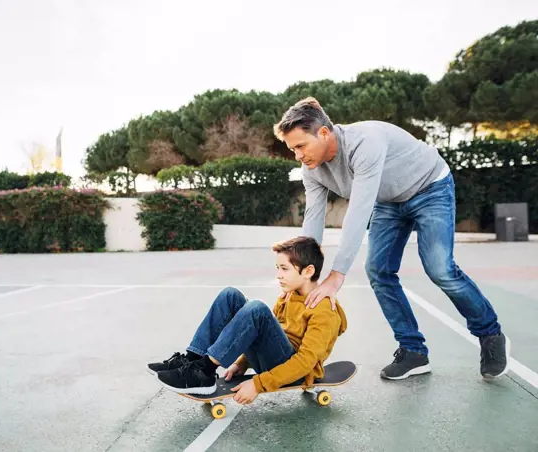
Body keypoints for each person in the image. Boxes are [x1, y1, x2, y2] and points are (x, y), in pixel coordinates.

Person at [272, 97, 510, 381]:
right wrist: (304, 274)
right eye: (292, 149)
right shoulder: (311, 169)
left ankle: (490, 334)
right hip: (388, 201)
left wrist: (336, 276)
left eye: (301, 146)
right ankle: (413, 351)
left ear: (324, 133)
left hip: (429, 187)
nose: (298, 155)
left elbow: (358, 213)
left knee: (440, 268)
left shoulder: (364, 143)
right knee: (379, 270)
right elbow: (313, 220)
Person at [147, 236, 347, 404]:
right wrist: (242, 364)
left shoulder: (324, 311)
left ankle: (204, 371)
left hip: (295, 372)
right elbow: (267, 336)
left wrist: (258, 384)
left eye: (284, 269)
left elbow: (304, 363)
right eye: (277, 268)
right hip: (275, 360)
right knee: (230, 295)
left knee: (257, 309)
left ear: (308, 271)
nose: (278, 275)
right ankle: (193, 361)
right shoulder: (289, 295)